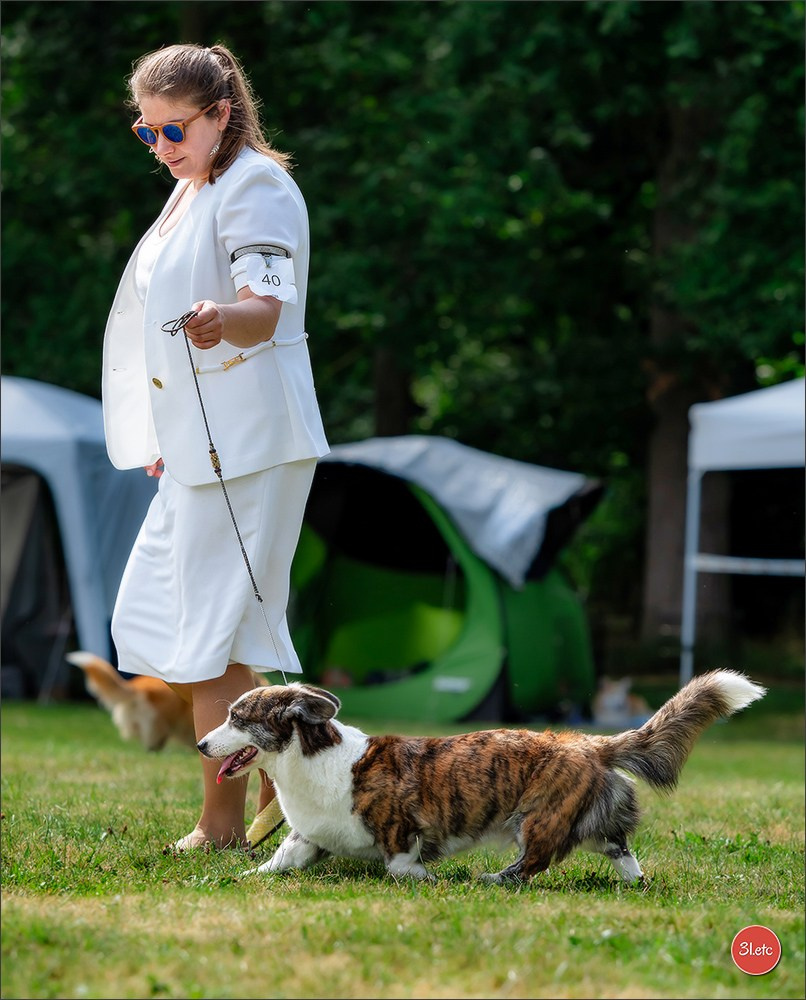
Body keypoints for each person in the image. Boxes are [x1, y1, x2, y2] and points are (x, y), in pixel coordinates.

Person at [102, 42, 329, 851]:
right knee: (173, 624)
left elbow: (265, 306)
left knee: (207, 641)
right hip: (198, 451)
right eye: (147, 134)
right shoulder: (193, 188)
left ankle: (226, 823)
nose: (161, 150)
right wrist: (166, 433)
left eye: (175, 132)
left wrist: (218, 317)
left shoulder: (257, 184)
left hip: (251, 447)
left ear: (222, 115)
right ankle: (305, 792)